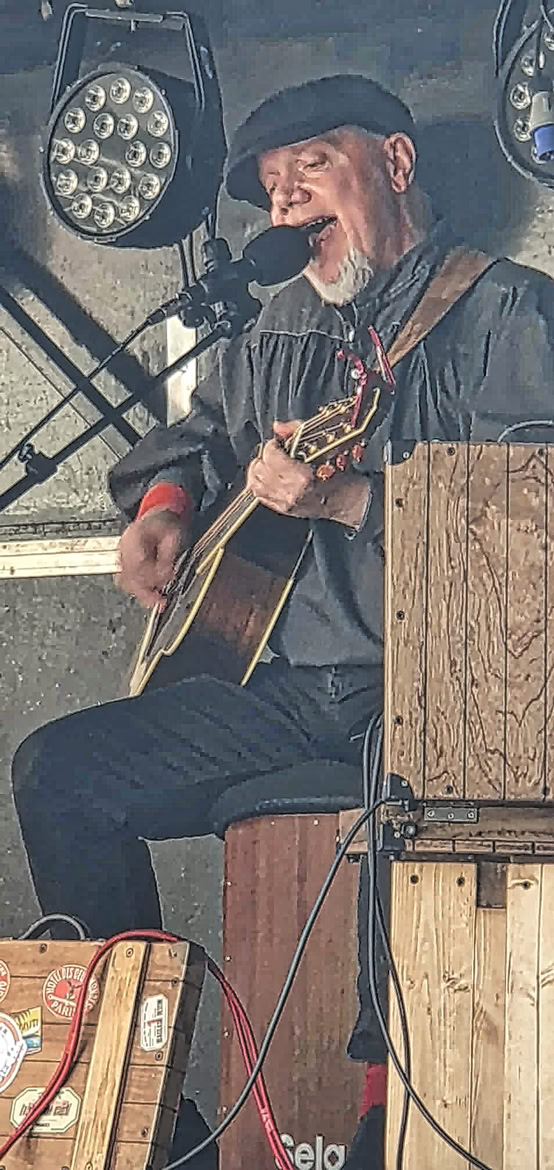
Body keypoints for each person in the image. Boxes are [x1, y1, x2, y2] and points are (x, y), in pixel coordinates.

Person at [11, 73, 554, 1167]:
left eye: (309, 169)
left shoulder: (505, 312)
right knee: (59, 774)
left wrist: (348, 497)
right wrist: (164, 513)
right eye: (268, 190)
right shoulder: (277, 327)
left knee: (405, 815)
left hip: (433, 688)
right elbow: (192, 442)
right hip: (280, 693)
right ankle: (143, 1096)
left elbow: (528, 532)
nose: (287, 206)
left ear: (393, 167)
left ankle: (385, 1118)